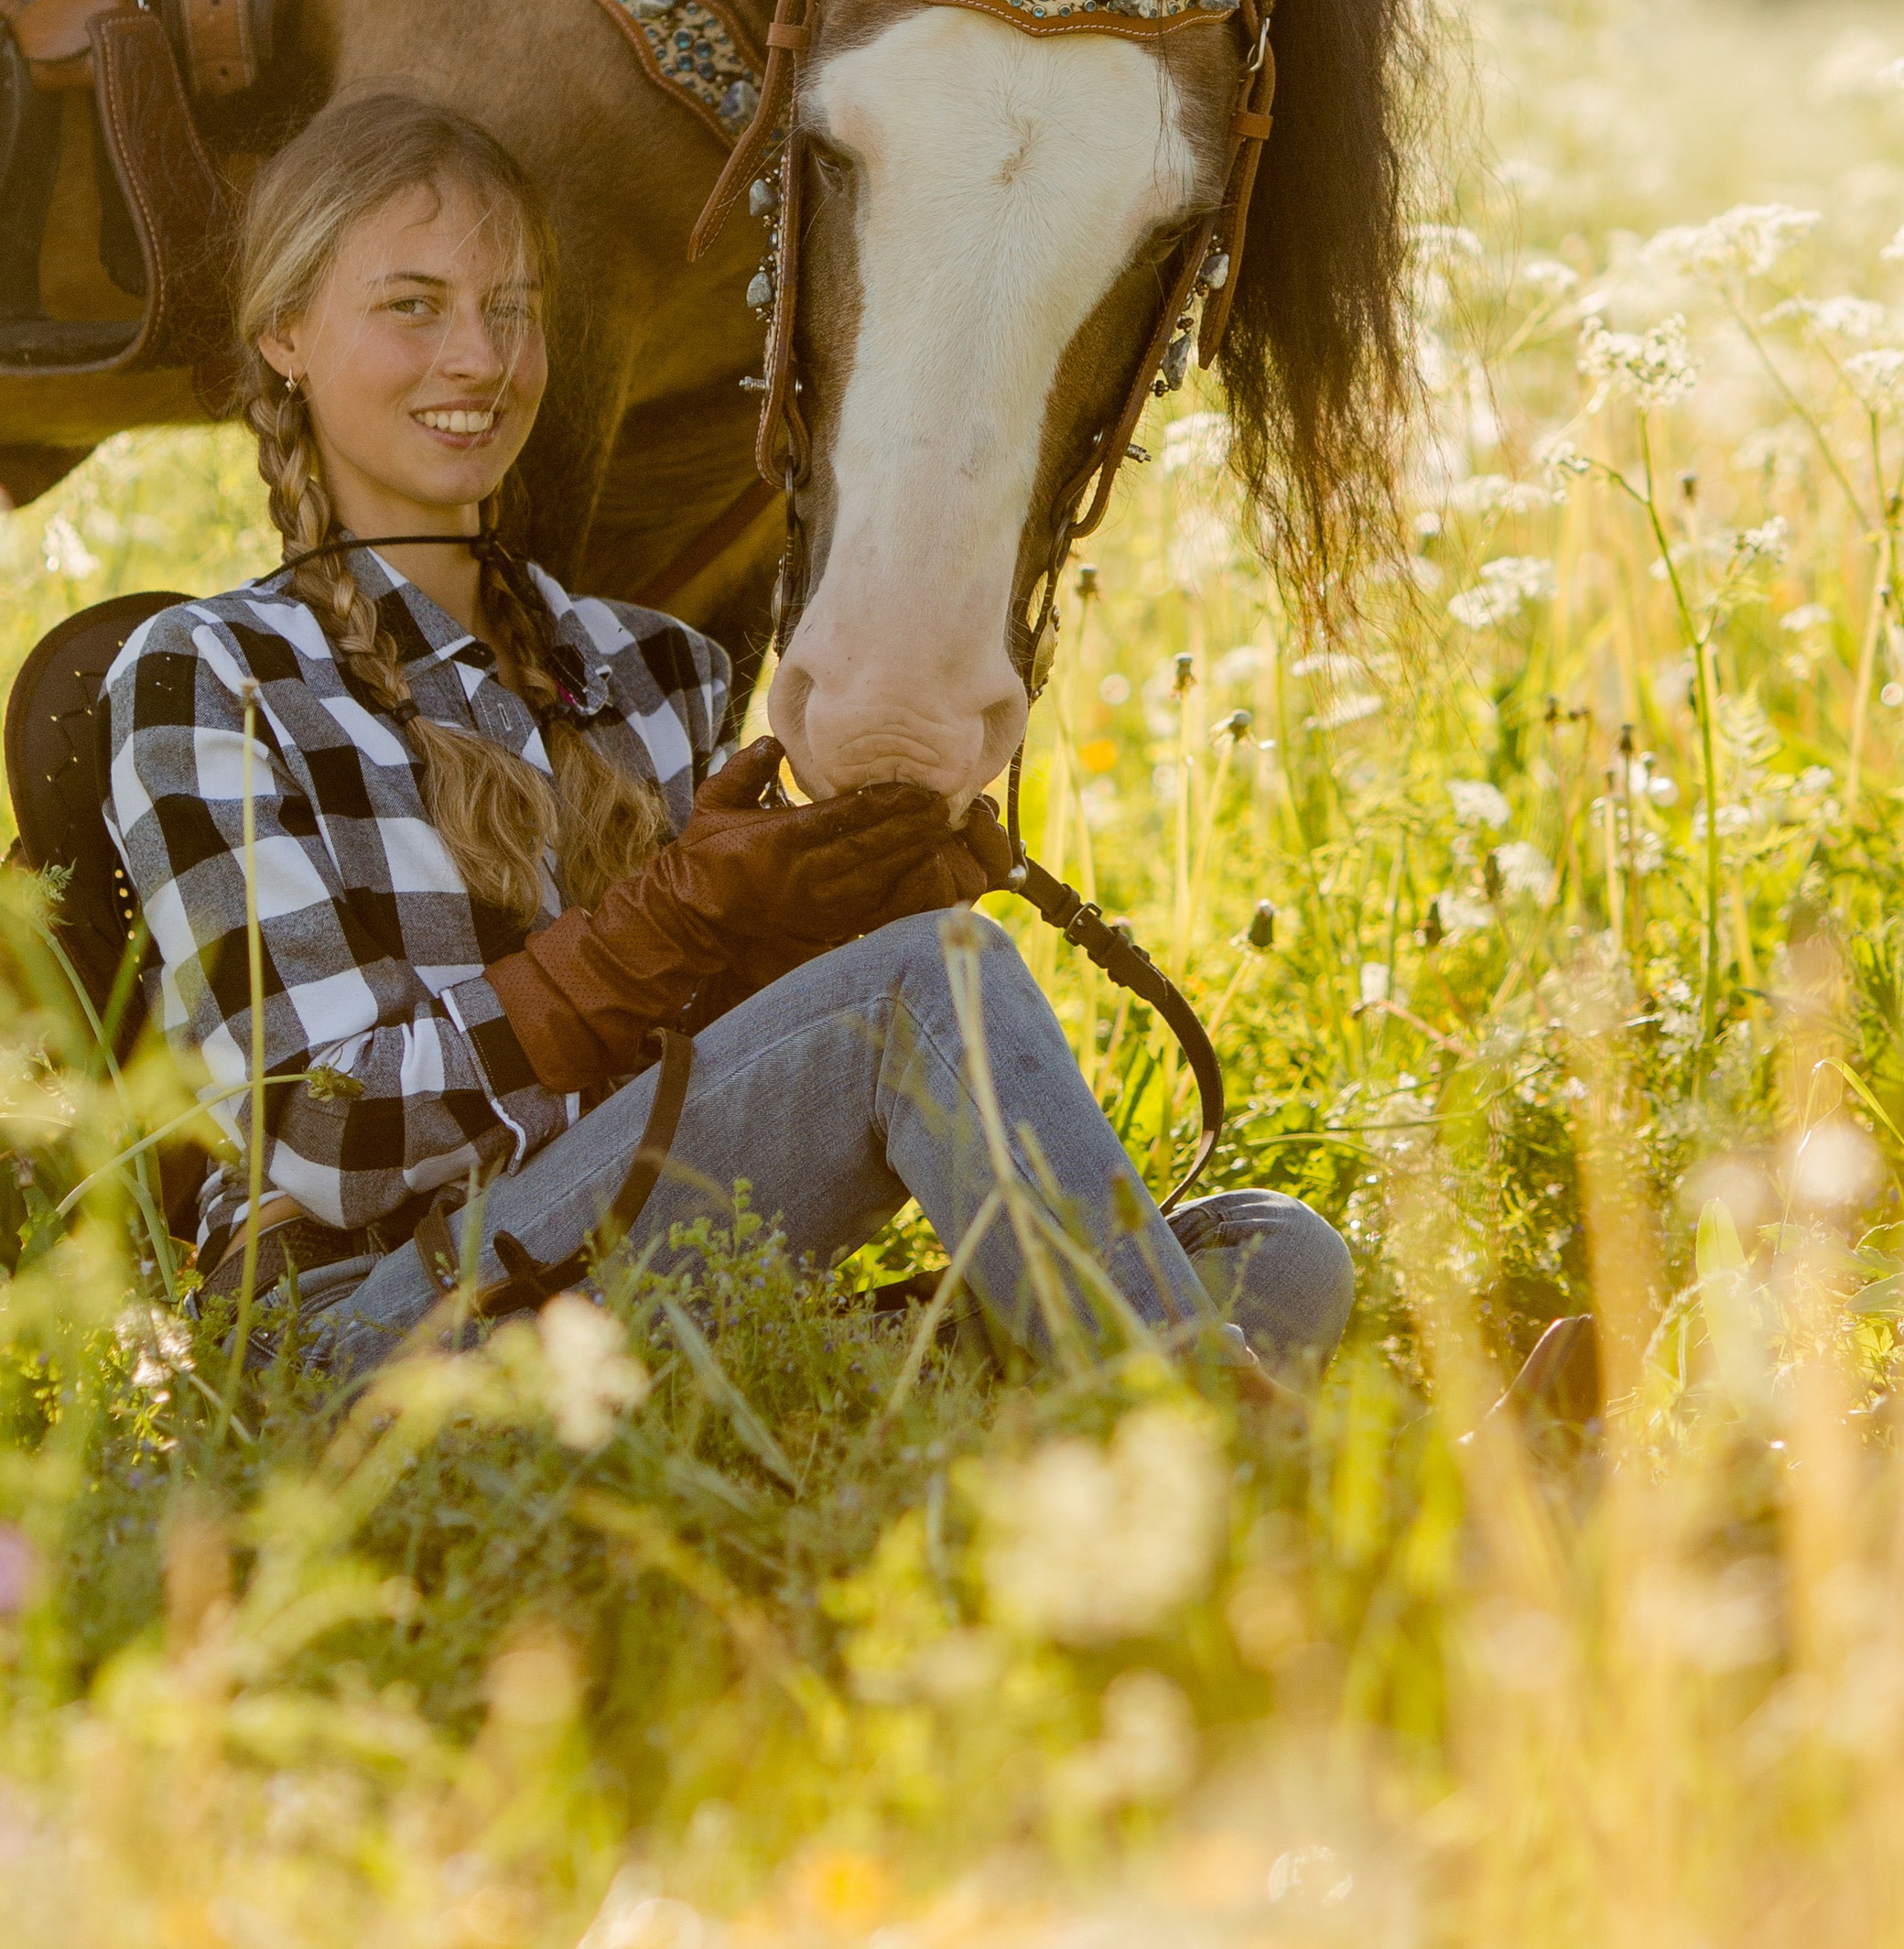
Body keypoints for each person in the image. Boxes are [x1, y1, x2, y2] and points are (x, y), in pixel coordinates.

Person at [102, 91, 1353, 1387]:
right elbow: (321, 1134)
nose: (479, 359)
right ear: (286, 335)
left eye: (513, 308)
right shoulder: (211, 678)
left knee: (1279, 1250)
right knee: (939, 982)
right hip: (375, 1328)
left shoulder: (652, 668)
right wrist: (676, 930)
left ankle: (1054, 1395)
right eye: (412, 305)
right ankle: (1180, 1425)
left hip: (625, 1295)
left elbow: (709, 1091)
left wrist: (806, 930)